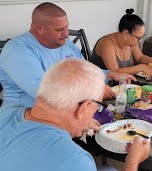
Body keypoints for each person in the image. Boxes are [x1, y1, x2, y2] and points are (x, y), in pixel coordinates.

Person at [0, 59, 150, 171]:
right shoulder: (75, 161)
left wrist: (79, 122)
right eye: (97, 105)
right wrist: (132, 162)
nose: (95, 111)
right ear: (83, 108)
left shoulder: (8, 110)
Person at [0, 2, 135, 108]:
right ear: (39, 28)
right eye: (59, 30)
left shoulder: (64, 43)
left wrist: (108, 74)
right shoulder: (17, 50)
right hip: (26, 117)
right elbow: (45, 93)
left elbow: (85, 70)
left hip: (68, 110)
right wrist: (94, 89)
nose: (66, 34)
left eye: (66, 28)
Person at [90, 9, 152, 79]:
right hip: (100, 83)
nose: (139, 41)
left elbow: (140, 58)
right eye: (138, 38)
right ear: (126, 33)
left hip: (123, 82)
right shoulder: (107, 43)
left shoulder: (131, 42)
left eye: (142, 36)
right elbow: (115, 72)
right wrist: (140, 67)